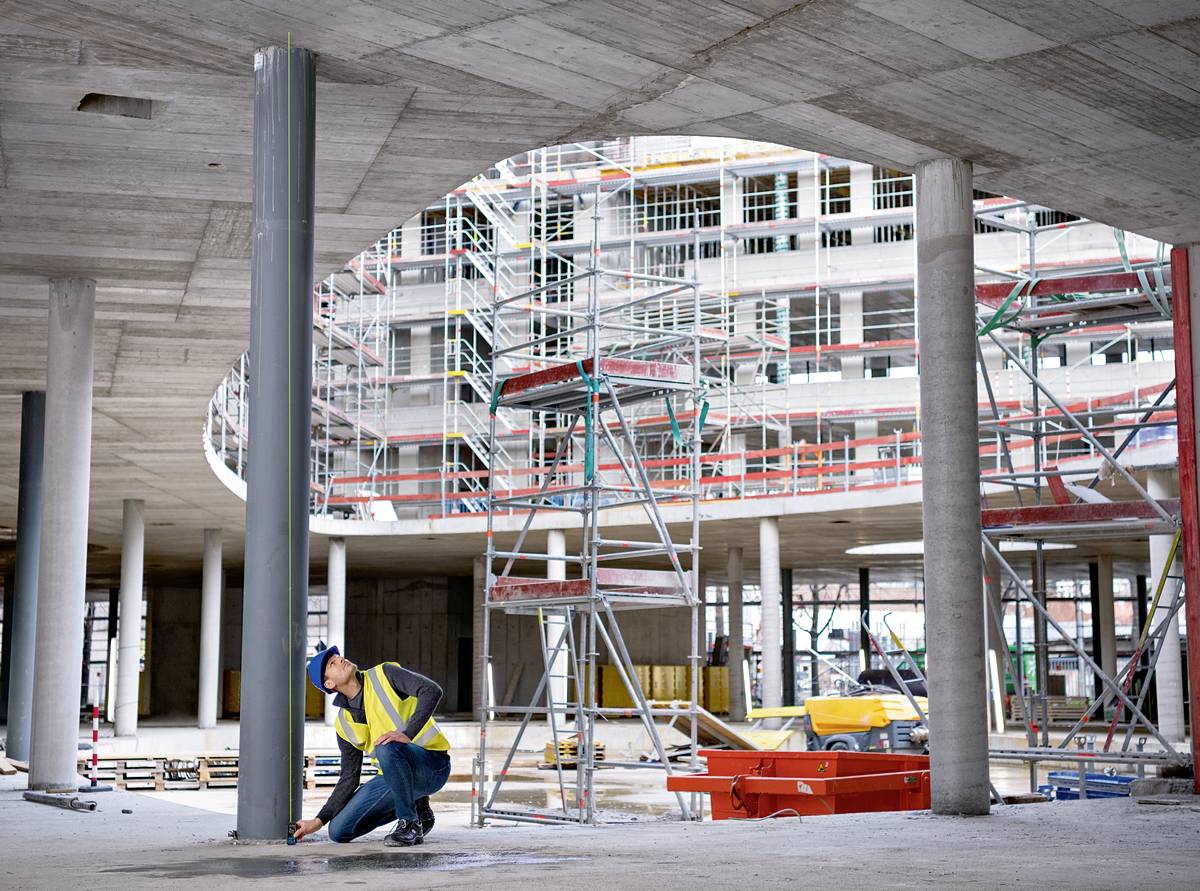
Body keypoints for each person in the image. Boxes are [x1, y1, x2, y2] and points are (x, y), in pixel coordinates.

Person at [292, 645, 451, 846]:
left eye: (338, 657)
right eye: (332, 663)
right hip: (395, 775)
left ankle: (410, 823)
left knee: (385, 746)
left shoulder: (383, 675)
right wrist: (318, 820)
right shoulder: (344, 723)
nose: (340, 660)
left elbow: (431, 690)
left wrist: (407, 734)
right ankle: (419, 811)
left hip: (433, 766)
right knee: (339, 831)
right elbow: (349, 778)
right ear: (329, 683)